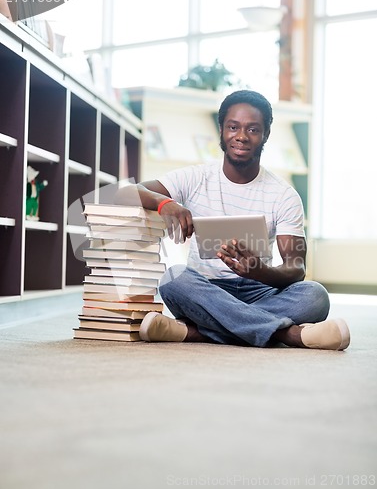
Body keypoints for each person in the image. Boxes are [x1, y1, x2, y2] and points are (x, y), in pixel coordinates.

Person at [115, 89, 350, 350]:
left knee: (315, 296)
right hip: (205, 288)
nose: (241, 136)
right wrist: (165, 203)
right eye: (233, 127)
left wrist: (260, 271)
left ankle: (195, 331)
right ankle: (288, 335)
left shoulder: (284, 195)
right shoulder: (196, 178)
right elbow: (125, 193)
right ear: (221, 131)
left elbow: (296, 268)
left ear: (265, 135)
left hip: (260, 289)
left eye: (252, 129)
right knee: (174, 279)